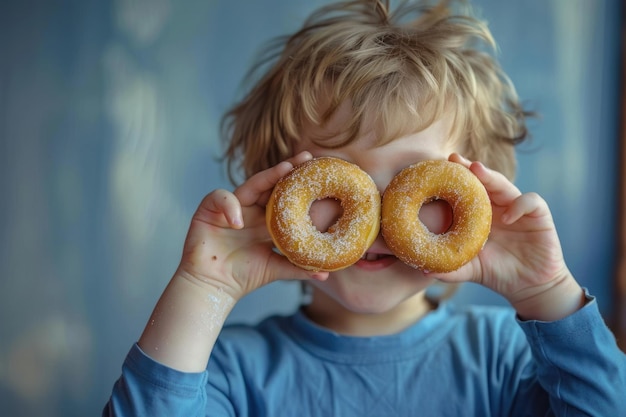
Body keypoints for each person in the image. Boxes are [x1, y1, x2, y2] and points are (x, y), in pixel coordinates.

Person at [103, 1, 626, 415]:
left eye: (415, 185)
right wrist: (204, 289)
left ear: (477, 202)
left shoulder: (505, 362)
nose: (376, 221)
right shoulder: (230, 372)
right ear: (276, 197)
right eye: (338, 185)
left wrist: (547, 294)